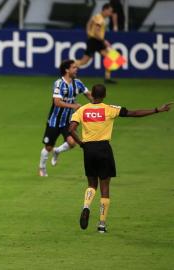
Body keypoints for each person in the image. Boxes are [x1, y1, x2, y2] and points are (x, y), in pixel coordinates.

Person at [69, 84, 172, 233]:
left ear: (92, 95)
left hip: (89, 150)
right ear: (104, 95)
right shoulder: (110, 109)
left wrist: (81, 144)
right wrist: (157, 109)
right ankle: (102, 225)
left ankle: (86, 207)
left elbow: (71, 129)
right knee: (105, 187)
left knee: (91, 184)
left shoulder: (82, 110)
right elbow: (134, 113)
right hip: (104, 149)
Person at [38, 59, 92, 177]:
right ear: (67, 70)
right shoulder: (59, 83)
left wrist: (97, 104)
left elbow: (88, 94)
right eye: (74, 67)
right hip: (54, 121)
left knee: (73, 143)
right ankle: (41, 168)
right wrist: (74, 106)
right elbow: (57, 102)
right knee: (48, 147)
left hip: (67, 121)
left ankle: (57, 151)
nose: (76, 69)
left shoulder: (77, 83)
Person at [76, 3, 116, 84]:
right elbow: (96, 31)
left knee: (110, 57)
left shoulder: (97, 16)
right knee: (84, 61)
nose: (110, 13)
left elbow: (88, 23)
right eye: (110, 11)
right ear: (105, 10)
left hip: (94, 40)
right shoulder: (100, 19)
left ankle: (107, 78)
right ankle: (67, 67)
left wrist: (88, 33)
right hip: (95, 41)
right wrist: (104, 41)